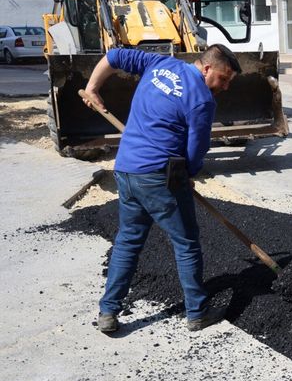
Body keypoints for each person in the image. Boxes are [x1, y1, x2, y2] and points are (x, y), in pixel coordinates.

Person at [81, 45, 241, 333]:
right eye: (223, 78)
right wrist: (189, 174)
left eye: (229, 82)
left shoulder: (158, 63)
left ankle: (108, 311)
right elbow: (197, 148)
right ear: (206, 69)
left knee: (128, 241)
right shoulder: (201, 100)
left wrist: (92, 87)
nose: (226, 87)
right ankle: (197, 312)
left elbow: (115, 55)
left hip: (126, 170)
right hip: (158, 177)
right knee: (187, 243)